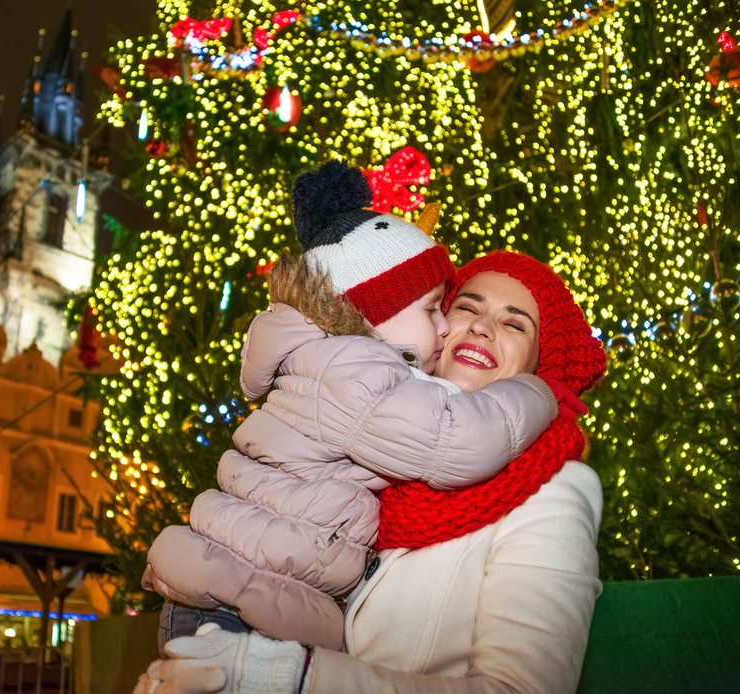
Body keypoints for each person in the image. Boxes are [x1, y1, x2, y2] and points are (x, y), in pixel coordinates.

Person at [135, 250, 609, 693]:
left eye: (514, 324)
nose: (483, 327)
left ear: (539, 366)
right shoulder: (368, 454)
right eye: (468, 307)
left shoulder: (557, 489)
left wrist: (294, 677)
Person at [143, 161, 561, 655]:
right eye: (434, 309)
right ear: (371, 315)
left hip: (241, 585)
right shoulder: (355, 372)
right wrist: (540, 391)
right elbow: (458, 441)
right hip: (236, 602)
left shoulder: (329, 359)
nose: (447, 327)